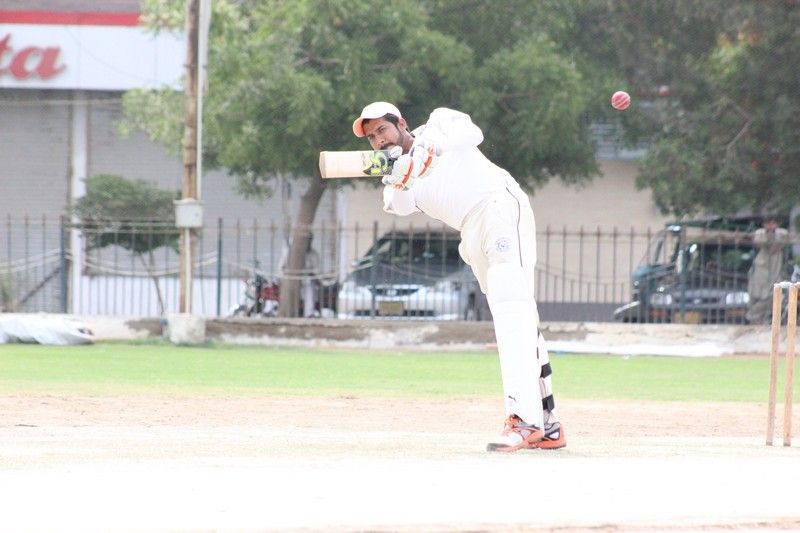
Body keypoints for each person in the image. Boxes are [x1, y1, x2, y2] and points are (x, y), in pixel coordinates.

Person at [352, 101, 565, 451]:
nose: (379, 140)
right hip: (470, 230)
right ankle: (548, 424)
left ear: (401, 123)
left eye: (382, 130)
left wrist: (431, 147)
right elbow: (400, 206)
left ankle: (525, 420)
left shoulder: (439, 122)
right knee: (517, 317)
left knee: (512, 309)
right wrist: (403, 178)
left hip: (498, 206)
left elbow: (473, 134)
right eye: (372, 137)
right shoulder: (396, 177)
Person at [747, 215, 791, 324]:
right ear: (764, 225)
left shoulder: (781, 232)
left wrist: (775, 239)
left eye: (773, 223)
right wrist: (768, 235)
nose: (771, 226)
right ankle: (755, 318)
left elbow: (784, 238)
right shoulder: (760, 233)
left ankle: (754, 316)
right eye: (768, 223)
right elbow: (760, 242)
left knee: (774, 295)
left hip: (775, 269)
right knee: (758, 295)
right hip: (761, 269)